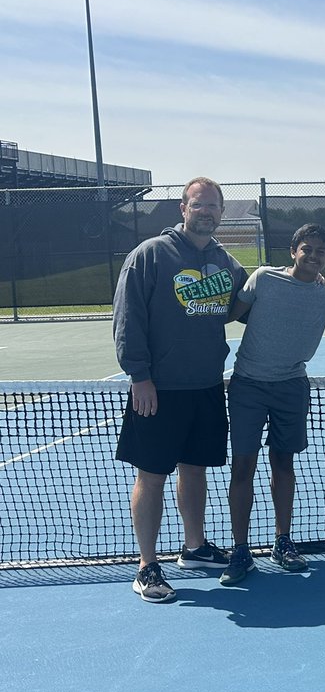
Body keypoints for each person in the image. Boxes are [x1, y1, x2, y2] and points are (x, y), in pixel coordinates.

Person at [114, 176, 247, 603]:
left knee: (195, 468)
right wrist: (140, 376)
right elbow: (127, 318)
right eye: (198, 204)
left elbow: (247, 305)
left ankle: (194, 547)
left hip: (207, 386)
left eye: (213, 206)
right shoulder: (150, 255)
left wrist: (302, 285)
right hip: (159, 389)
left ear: (222, 213)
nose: (206, 212)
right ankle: (147, 566)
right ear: (183, 209)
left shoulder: (226, 262)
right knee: (151, 476)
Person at [219, 223, 325, 585]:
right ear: (294, 251)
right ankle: (240, 550)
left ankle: (283, 541)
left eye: (320, 252)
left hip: (291, 388)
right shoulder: (264, 278)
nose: (313, 256)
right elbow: (229, 313)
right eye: (307, 249)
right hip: (247, 386)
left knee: (283, 465)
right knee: (243, 468)